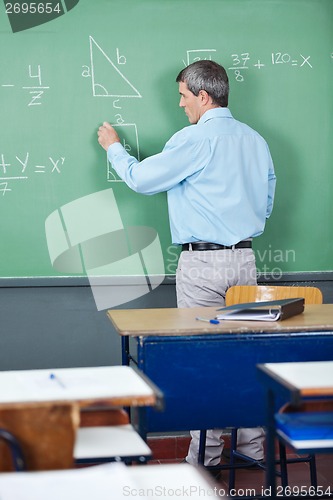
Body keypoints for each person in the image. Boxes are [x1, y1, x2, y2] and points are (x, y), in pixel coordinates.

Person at [97, 60, 276, 467]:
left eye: (182, 95)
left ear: (203, 95)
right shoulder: (255, 140)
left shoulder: (194, 140)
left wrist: (113, 148)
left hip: (203, 263)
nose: (180, 104)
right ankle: (251, 447)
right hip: (245, 259)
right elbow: (266, 200)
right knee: (245, 353)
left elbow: (142, 180)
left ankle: (206, 457)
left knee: (205, 359)